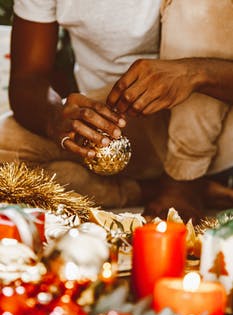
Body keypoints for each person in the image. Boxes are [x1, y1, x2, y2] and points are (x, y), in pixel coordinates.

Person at [2, 0, 233, 224]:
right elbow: (28, 78)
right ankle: (145, 190)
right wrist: (56, 117)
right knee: (7, 158)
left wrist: (196, 74)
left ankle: (184, 182)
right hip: (122, 120)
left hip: (213, 125)